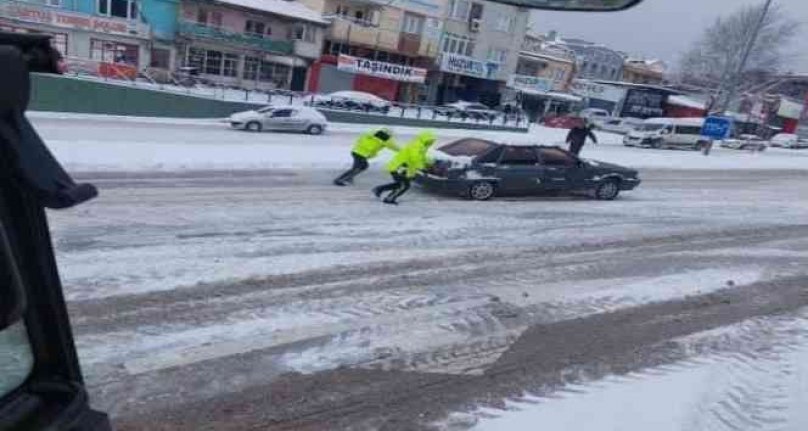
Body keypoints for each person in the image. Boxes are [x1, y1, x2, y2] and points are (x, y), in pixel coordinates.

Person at [373, 130, 436, 205]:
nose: (430, 142)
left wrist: (430, 162)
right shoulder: (416, 146)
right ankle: (389, 199)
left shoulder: (422, 146)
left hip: (404, 168)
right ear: (424, 139)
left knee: (400, 184)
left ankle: (379, 189)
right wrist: (422, 168)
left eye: (431, 141)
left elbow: (421, 158)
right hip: (398, 167)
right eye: (429, 140)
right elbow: (414, 158)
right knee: (404, 185)